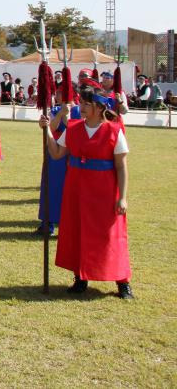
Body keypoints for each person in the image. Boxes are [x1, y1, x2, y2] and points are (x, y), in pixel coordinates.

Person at [40, 87, 133, 299]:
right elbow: (56, 154)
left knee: (110, 236)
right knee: (78, 233)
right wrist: (46, 130)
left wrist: (123, 197)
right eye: (81, 102)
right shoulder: (72, 128)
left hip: (104, 191)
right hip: (76, 190)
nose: (80, 107)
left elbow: (121, 166)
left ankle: (123, 282)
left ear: (100, 107)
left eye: (86, 104)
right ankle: (80, 278)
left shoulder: (114, 131)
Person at [37, 81, 81, 236]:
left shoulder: (80, 111)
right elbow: (52, 128)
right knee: (51, 186)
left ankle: (69, 224)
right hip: (55, 151)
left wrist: (67, 115)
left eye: (62, 92)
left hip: (72, 153)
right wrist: (61, 114)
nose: (58, 95)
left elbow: (74, 130)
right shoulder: (55, 110)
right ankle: (47, 223)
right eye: (57, 92)